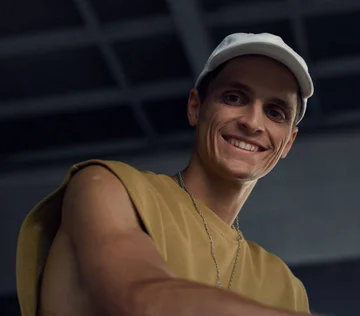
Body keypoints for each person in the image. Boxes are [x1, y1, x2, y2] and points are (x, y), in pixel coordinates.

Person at [16, 32, 316, 316]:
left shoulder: (285, 287)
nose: (252, 123)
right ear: (196, 107)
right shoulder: (107, 186)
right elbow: (143, 300)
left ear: (288, 141)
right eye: (235, 98)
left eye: (275, 112)